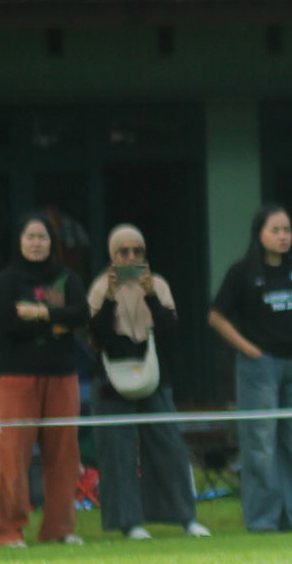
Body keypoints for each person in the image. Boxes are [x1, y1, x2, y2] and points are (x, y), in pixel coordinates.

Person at [209, 203, 292, 532]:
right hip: (260, 368)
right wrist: (248, 349)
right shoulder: (242, 271)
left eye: (287, 230)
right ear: (260, 234)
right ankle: (262, 521)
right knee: (260, 445)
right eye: (275, 230)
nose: (283, 236)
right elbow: (216, 316)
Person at [89, 224, 208, 540]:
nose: (130, 257)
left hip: (154, 371)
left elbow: (170, 330)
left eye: (137, 252)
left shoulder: (159, 285)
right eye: (123, 252)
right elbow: (95, 334)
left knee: (169, 445)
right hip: (112, 375)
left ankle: (184, 517)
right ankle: (129, 522)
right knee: (118, 450)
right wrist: (112, 297)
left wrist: (151, 294)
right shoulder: (100, 287)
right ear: (112, 256)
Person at [0, 213, 88, 547]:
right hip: (14, 379)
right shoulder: (6, 281)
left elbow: (81, 314)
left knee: (64, 457)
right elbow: (9, 324)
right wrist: (58, 322)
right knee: (12, 457)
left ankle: (59, 529)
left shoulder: (67, 276)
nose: (36, 243)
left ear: (51, 242)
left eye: (42, 237)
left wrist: (41, 313)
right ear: (19, 241)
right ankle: (8, 531)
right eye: (30, 236)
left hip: (62, 376)